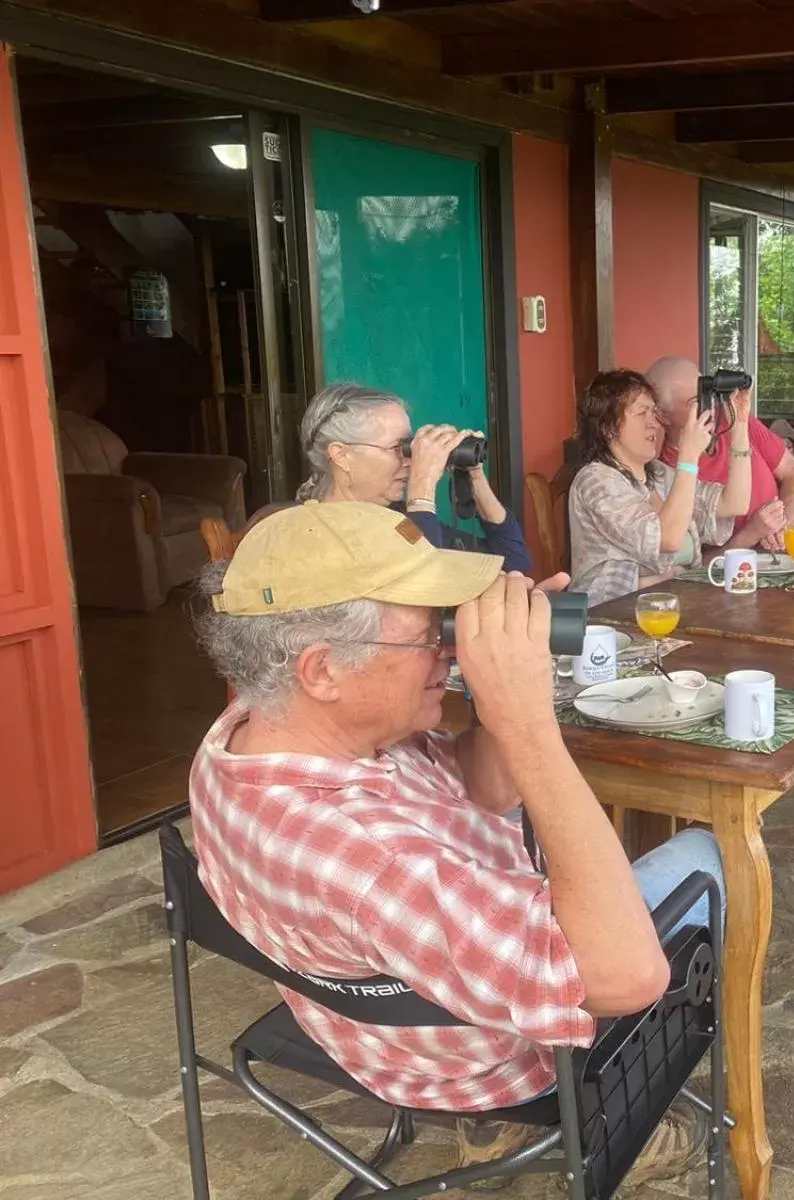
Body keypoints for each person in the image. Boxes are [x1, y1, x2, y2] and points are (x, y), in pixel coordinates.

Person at [190, 501, 722, 1187]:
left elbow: (485, 790)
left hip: (390, 1009)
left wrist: (509, 677)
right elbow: (627, 975)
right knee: (705, 856)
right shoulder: (362, 857)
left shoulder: (251, 732)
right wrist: (531, 725)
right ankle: (531, 1124)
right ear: (322, 670)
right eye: (427, 635)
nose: (447, 649)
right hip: (489, 1060)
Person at [296, 382, 533, 575]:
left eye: (409, 448)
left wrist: (475, 476)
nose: (410, 460)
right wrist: (423, 486)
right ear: (342, 455)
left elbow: (513, 563)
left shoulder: (396, 521)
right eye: (397, 448)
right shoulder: (317, 534)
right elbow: (422, 584)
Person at [567, 369, 752, 605]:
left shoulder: (659, 473)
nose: (653, 423)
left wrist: (740, 427)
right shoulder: (596, 481)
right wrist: (688, 457)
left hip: (672, 605)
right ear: (608, 427)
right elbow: (668, 539)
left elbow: (735, 503)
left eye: (654, 413)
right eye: (641, 413)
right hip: (612, 619)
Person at [646, 356, 794, 551]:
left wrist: (783, 524)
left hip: (781, 547)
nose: (710, 406)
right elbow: (700, 562)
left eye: (709, 393)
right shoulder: (671, 473)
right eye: (696, 402)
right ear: (663, 416)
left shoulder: (732, 418)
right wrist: (753, 533)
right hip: (734, 568)